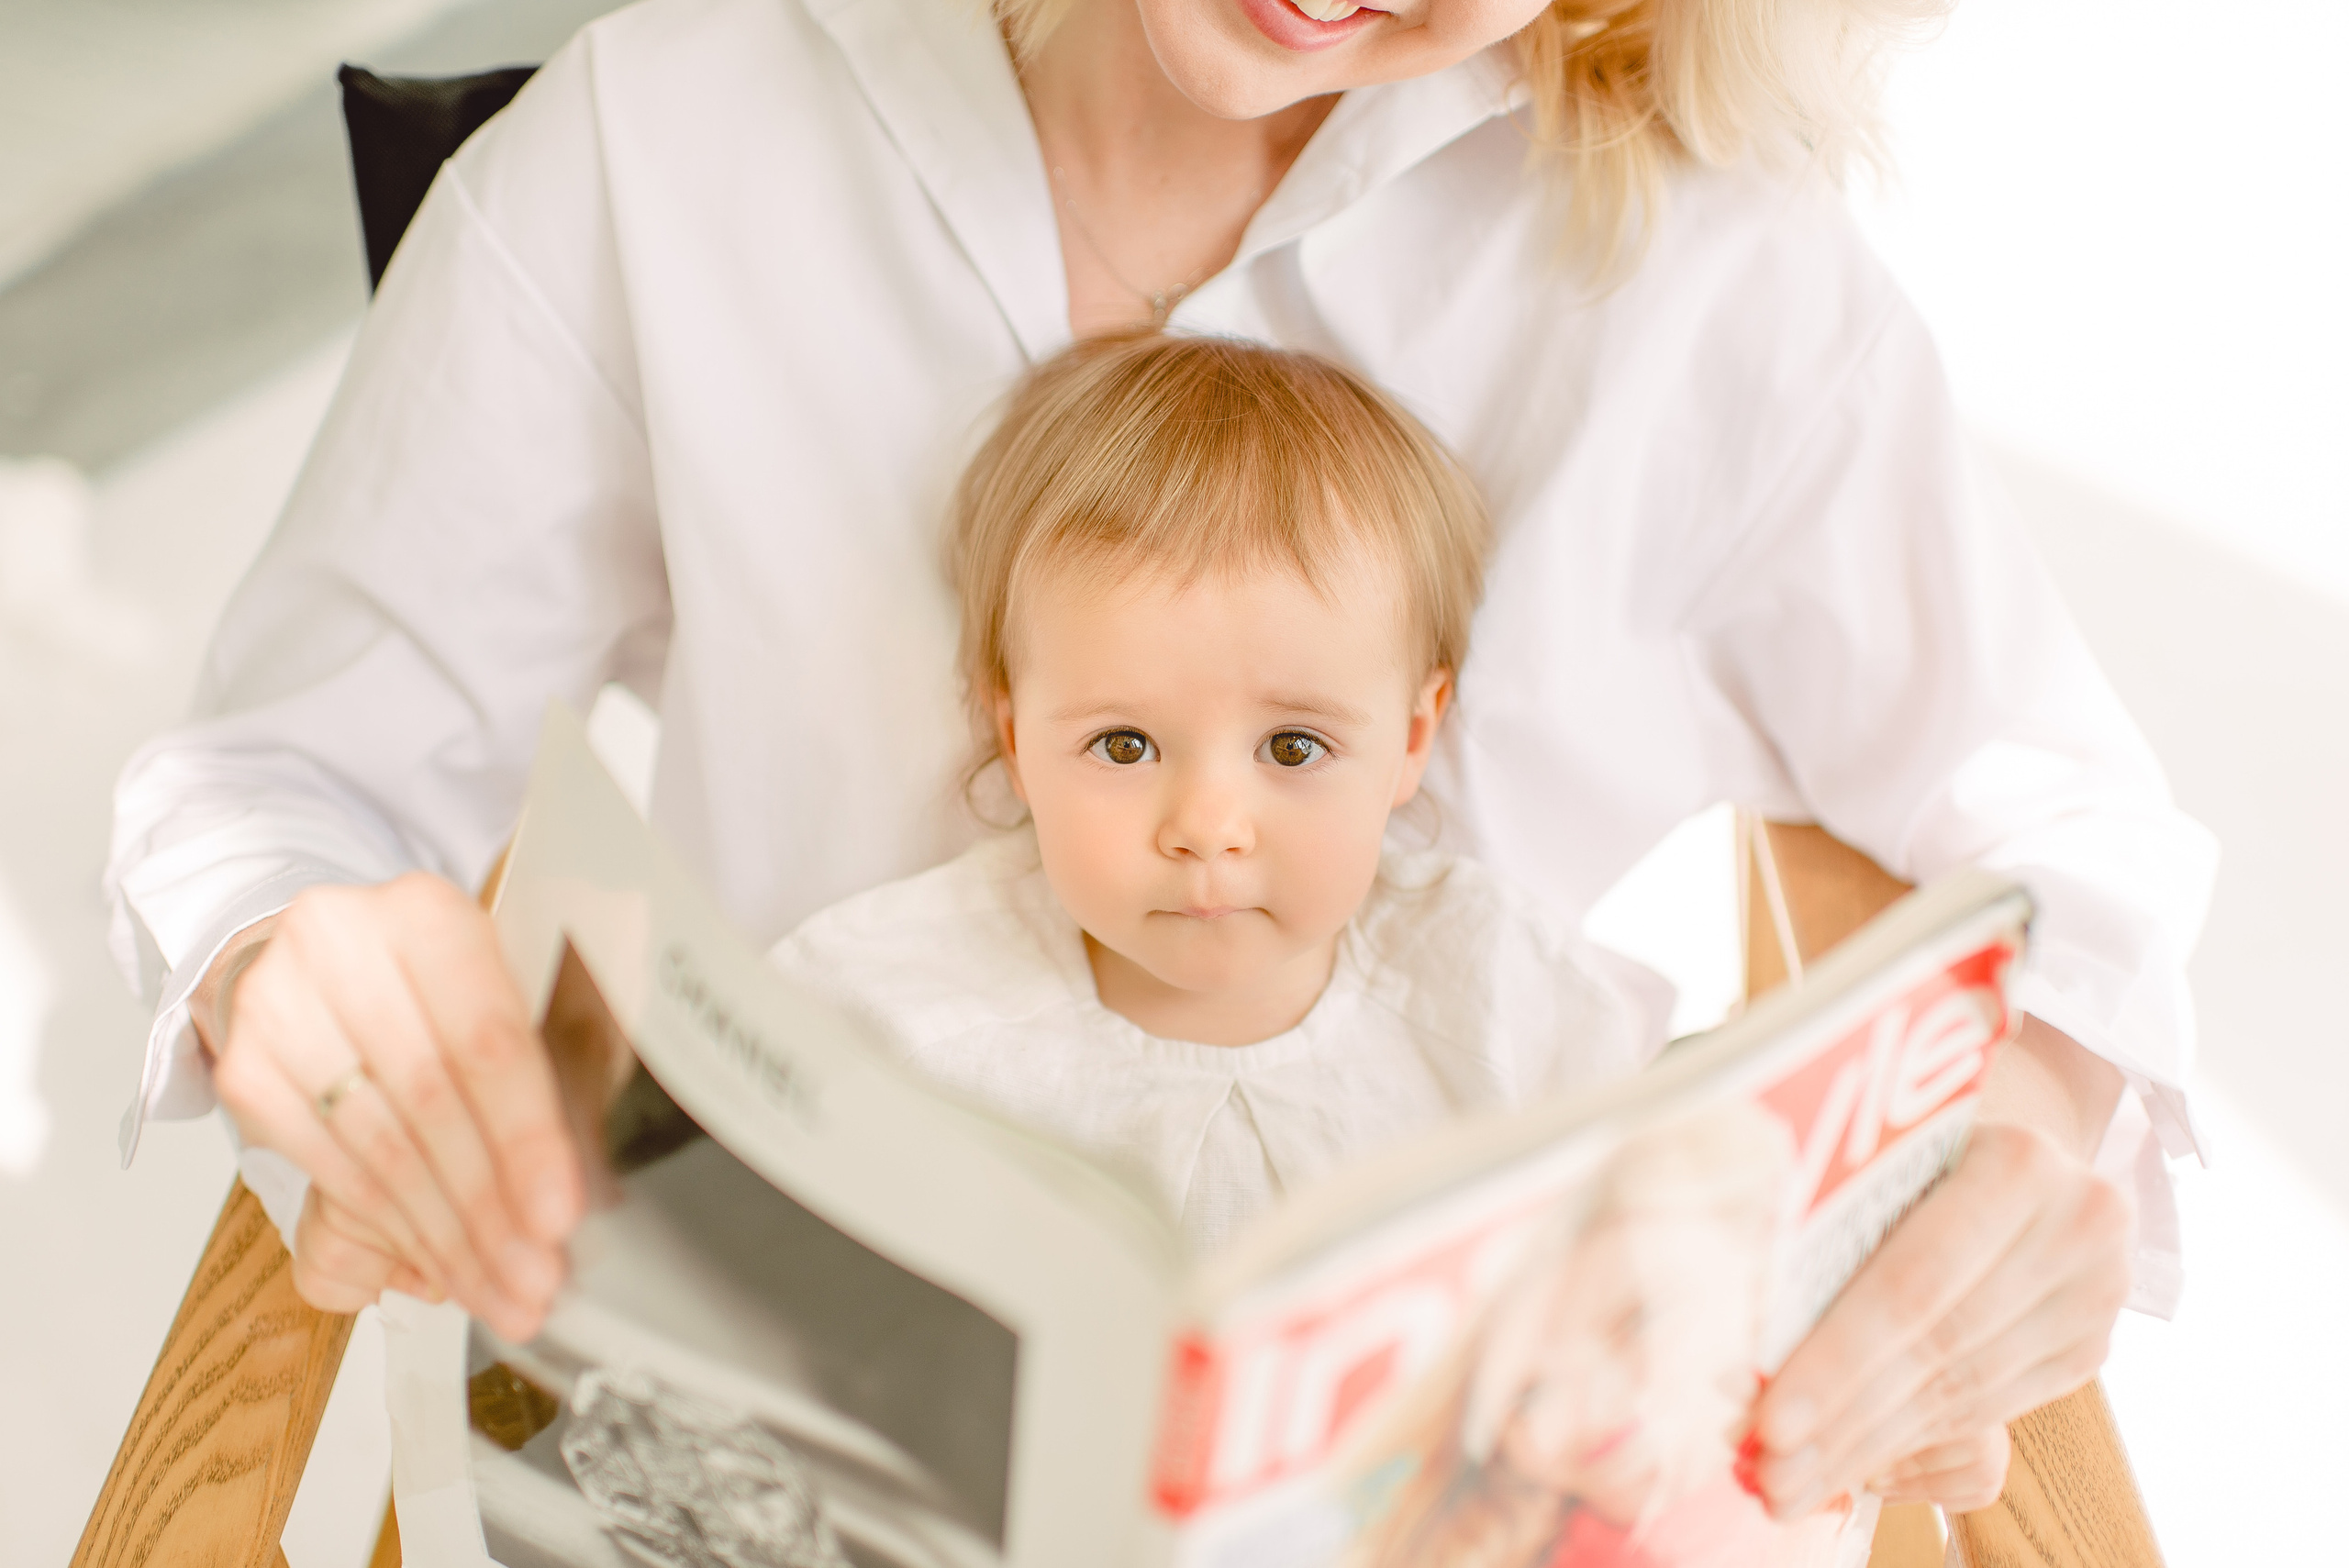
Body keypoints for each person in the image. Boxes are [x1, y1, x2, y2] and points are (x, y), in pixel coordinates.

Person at [105, 0, 2210, 1522]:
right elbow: (291, 770)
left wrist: (2031, 1110)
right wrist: (290, 955)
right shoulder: (672, 127)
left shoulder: (1702, 274)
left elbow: (2060, 836)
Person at [768, 333, 1662, 1254]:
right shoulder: (890, 1014)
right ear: (1012, 736)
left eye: (1292, 745)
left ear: (1409, 738)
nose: (1206, 829)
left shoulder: (1501, 998)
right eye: (1124, 744)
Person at [1344, 1105, 1821, 1568]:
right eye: (1528, 1395)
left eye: (1637, 1322)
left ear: (1751, 1254)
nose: (1594, 1406)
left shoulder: (1822, 1416)